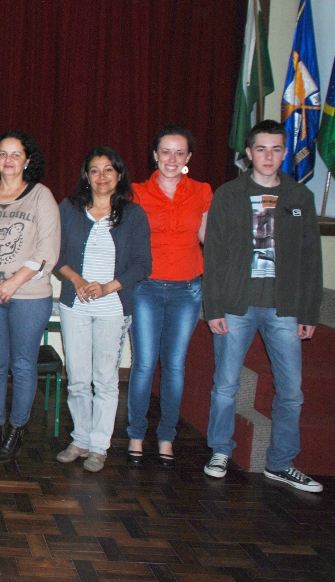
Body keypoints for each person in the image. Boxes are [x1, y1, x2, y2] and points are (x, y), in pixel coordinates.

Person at [202, 120, 323, 492]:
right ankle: (220, 451)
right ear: (249, 153)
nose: (268, 156)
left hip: (283, 307)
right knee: (225, 385)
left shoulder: (300, 197)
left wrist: (309, 311)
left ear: (285, 152)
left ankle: (281, 462)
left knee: (291, 391)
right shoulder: (228, 194)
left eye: (275, 149)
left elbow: (311, 258)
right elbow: (214, 256)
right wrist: (213, 307)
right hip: (235, 305)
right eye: (261, 148)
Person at [55, 146, 150, 472]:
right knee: (78, 378)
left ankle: (99, 447)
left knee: (106, 380)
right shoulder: (69, 209)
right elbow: (55, 254)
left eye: (108, 169)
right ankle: (80, 439)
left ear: (119, 175)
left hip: (113, 308)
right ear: (86, 175)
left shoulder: (133, 214)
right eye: (95, 170)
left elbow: (143, 265)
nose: (101, 176)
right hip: (75, 305)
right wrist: (77, 280)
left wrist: (108, 287)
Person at [127, 126, 211, 467]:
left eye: (180, 153)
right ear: (155, 155)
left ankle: (166, 437)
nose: (172, 159)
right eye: (166, 151)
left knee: (174, 365)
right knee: (145, 364)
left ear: (189, 157)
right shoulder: (136, 192)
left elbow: (208, 239)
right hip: (146, 288)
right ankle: (136, 434)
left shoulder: (202, 191)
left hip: (187, 291)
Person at [0, 130, 60, 462]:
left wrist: (12, 283)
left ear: (27, 160)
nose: (8, 160)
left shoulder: (41, 196)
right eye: (2, 154)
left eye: (15, 154)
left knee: (23, 365)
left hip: (29, 296)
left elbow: (47, 250)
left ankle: (16, 430)